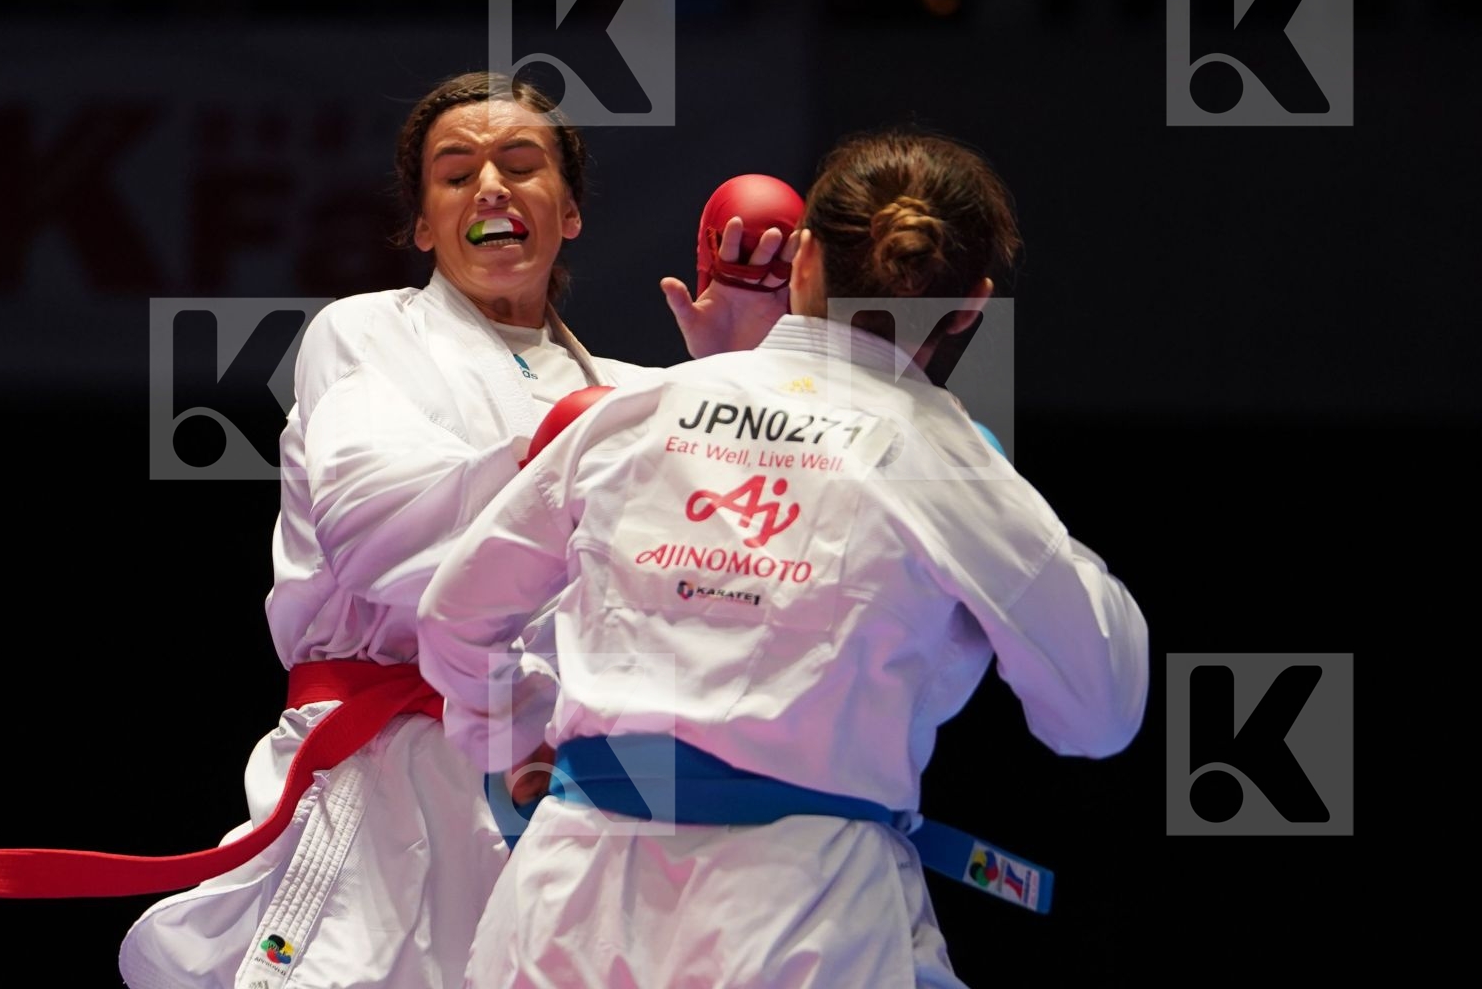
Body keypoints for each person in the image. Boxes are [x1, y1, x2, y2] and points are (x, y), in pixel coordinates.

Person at [416, 126, 1151, 988]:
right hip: (801, 915)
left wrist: (524, 744)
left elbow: (456, 618)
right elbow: (1099, 713)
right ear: (970, 308)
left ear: (804, 257)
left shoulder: (639, 409)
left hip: (570, 895)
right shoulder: (951, 462)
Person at [111, 72, 799, 989]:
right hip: (384, 774)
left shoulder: (637, 396)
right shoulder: (364, 336)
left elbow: (748, 574)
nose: (490, 186)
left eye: (521, 164)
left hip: (565, 800)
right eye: (454, 172)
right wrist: (586, 449)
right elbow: (377, 539)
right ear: (425, 225)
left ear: (571, 214)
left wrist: (744, 376)